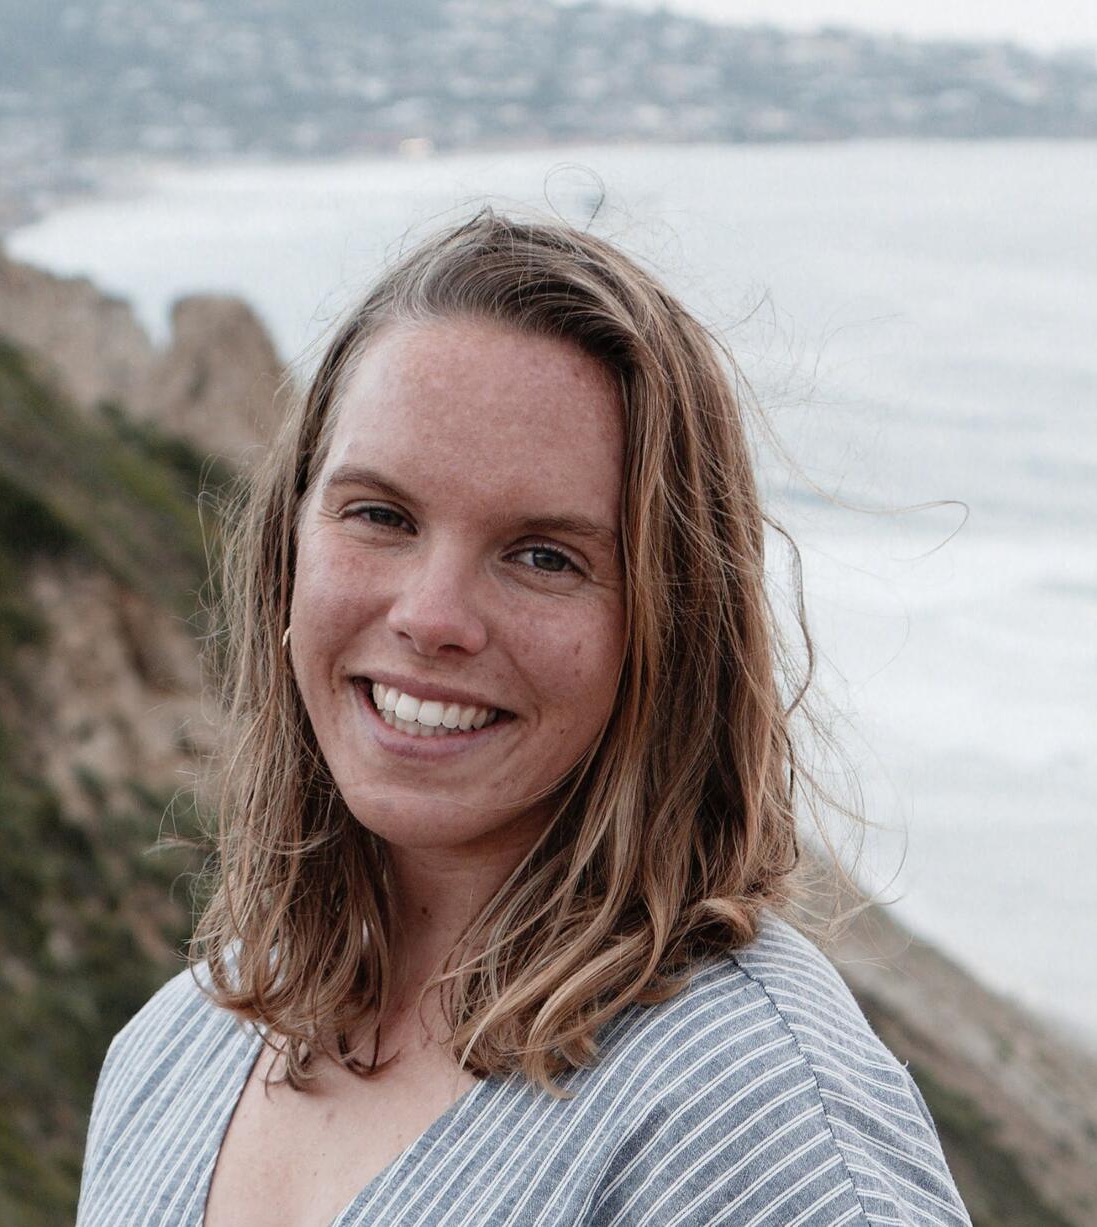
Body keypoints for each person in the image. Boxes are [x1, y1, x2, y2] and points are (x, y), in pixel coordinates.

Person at [75, 208, 970, 1226]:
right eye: (380, 515)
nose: (431, 617)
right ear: (289, 546)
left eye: (545, 556)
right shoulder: (177, 1048)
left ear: (671, 627)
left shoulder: (760, 1128)